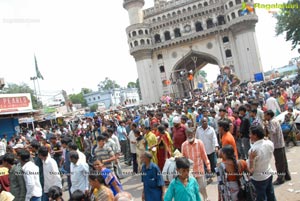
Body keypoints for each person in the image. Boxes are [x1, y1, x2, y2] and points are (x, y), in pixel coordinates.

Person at [247, 125, 277, 201]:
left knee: (261, 197)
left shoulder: (253, 150)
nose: (249, 136)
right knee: (271, 195)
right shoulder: (269, 143)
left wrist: (250, 159)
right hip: (268, 173)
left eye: (251, 134)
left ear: (255, 135)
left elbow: (251, 171)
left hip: (258, 178)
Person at [181, 128, 210, 201]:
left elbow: (204, 155)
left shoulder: (200, 143)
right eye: (188, 134)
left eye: (191, 134)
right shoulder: (184, 145)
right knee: (191, 188)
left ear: (194, 134)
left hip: (199, 169)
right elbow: (183, 158)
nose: (190, 136)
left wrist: (208, 165)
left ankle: (205, 198)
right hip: (189, 171)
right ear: (186, 135)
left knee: (202, 187)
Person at [264, 110, 291, 185]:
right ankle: (287, 176)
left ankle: (280, 178)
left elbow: (272, 131)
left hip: (277, 145)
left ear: (269, 115)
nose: (265, 117)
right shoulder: (275, 120)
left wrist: (267, 126)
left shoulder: (272, 122)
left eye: (265, 115)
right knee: (283, 161)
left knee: (279, 162)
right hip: (280, 143)